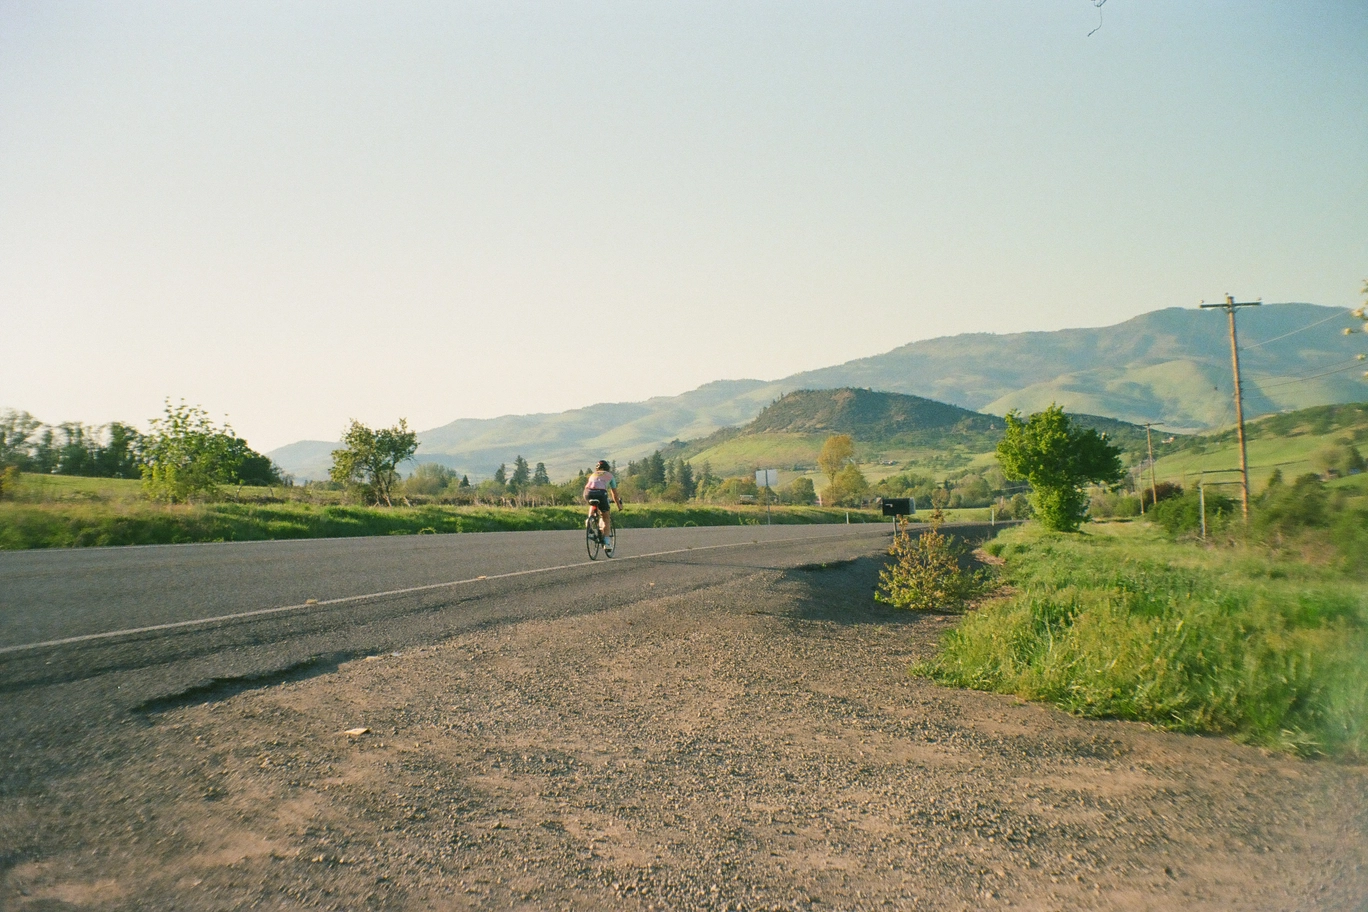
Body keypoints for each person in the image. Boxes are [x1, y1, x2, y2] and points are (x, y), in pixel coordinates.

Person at [583, 460, 622, 540]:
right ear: (607, 468)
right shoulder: (610, 475)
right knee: (606, 518)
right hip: (601, 493)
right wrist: (619, 506)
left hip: (587, 492)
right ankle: (607, 542)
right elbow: (614, 494)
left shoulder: (593, 475)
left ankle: (589, 520)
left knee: (593, 503)